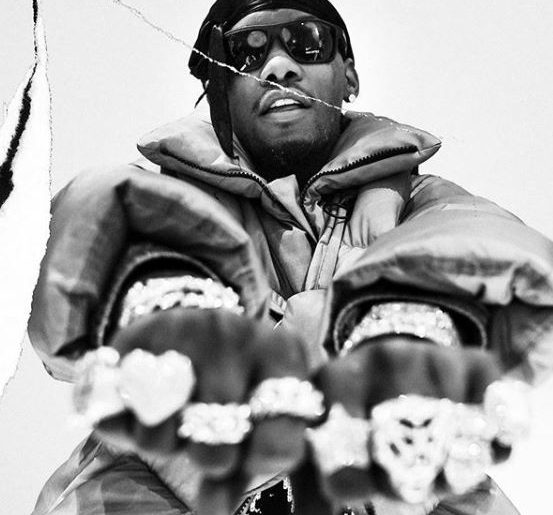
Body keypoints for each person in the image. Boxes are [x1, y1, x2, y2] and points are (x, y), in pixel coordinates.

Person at [28, 1, 553, 514]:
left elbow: (513, 274)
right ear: (219, 87)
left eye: (307, 41)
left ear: (349, 74)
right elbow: (69, 293)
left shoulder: (424, 205)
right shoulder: (156, 208)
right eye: (247, 52)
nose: (280, 66)